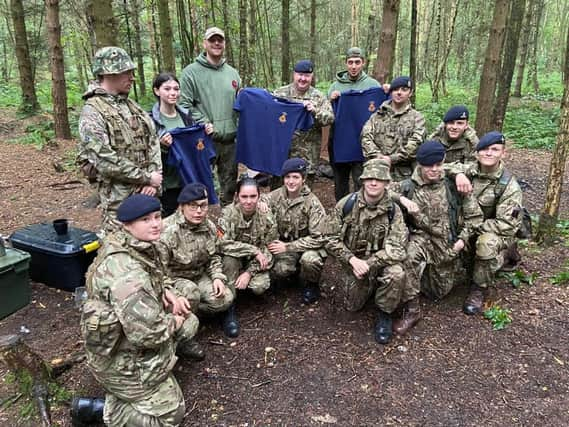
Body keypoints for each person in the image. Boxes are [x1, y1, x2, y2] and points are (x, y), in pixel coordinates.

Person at [76, 194, 200, 426]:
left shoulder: (134, 244)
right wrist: (175, 320)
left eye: (157, 216)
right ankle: (103, 411)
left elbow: (155, 276)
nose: (155, 224)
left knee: (190, 320)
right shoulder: (127, 273)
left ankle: (134, 391)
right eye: (145, 220)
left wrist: (166, 292)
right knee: (171, 416)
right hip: (119, 357)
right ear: (127, 224)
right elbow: (149, 335)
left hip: (126, 336)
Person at [390, 141, 483, 335]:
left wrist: (462, 240)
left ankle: (448, 272)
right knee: (408, 257)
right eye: (429, 165)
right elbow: (380, 189)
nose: (434, 169)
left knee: (438, 292)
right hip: (422, 238)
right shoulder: (408, 186)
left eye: (438, 165)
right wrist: (402, 199)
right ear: (419, 165)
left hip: (449, 242)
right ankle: (412, 310)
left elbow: (475, 218)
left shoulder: (454, 185)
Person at [78, 46, 162, 234]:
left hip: (148, 195)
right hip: (119, 202)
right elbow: (103, 159)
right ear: (109, 73)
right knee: (122, 251)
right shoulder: (92, 112)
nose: (132, 77)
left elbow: (152, 141)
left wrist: (153, 180)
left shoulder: (131, 106)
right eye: (127, 72)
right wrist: (146, 178)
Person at [325, 159, 408, 345]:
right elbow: (329, 239)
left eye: (379, 179)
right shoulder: (346, 204)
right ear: (362, 180)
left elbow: (398, 249)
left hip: (380, 265)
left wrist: (369, 264)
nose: (373, 182)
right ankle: (371, 289)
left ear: (386, 183)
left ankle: (384, 314)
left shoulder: (394, 211)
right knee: (351, 306)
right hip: (353, 265)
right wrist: (352, 260)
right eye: (369, 178)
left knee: (396, 274)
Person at [448, 131, 523, 314]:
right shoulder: (470, 170)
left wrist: (472, 228)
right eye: (484, 149)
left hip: (492, 232)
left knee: (486, 244)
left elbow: (508, 224)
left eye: (494, 150)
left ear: (503, 154)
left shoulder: (508, 185)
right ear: (477, 153)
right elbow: (440, 167)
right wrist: (458, 174)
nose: (488, 154)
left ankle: (479, 288)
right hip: (467, 227)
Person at [180, 27, 241, 205]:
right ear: (204, 43)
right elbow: (183, 105)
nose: (216, 43)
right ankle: (203, 224)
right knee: (203, 187)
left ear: (224, 44)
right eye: (212, 40)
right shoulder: (190, 72)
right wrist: (203, 122)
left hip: (230, 140)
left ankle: (226, 224)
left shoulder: (232, 73)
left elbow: (239, 103)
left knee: (229, 187)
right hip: (204, 139)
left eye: (220, 40)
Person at [160, 182, 234, 324]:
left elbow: (214, 256)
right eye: (193, 206)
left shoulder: (209, 226)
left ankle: (193, 315)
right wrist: (173, 293)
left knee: (225, 299)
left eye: (203, 205)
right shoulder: (167, 231)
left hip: (199, 275)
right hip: (174, 280)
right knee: (191, 292)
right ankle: (180, 322)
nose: (199, 211)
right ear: (182, 207)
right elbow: (158, 271)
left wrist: (217, 277)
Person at [218, 178, 278, 337]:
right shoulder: (227, 214)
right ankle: (228, 308)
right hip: (233, 261)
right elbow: (222, 245)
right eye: (244, 197)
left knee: (259, 287)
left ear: (259, 197)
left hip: (253, 263)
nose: (249, 201)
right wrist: (252, 250)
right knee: (229, 259)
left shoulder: (266, 216)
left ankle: (245, 288)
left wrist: (249, 272)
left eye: (253, 196)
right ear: (237, 196)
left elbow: (269, 249)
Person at [264, 158, 327, 304]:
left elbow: (318, 238)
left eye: (295, 177)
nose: (291, 182)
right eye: (287, 177)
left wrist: (287, 247)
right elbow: (260, 200)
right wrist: (261, 205)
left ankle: (312, 285)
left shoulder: (313, 203)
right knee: (280, 270)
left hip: (308, 248)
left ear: (303, 179)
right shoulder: (276, 195)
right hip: (286, 248)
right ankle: (293, 274)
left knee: (310, 260)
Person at [150, 72, 214, 216]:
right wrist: (163, 147)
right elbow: (147, 156)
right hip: (168, 185)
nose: (173, 93)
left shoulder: (188, 118)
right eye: (167, 89)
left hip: (190, 180)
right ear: (156, 90)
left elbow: (197, 149)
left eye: (176, 89)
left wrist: (207, 133)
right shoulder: (150, 121)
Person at [327, 47, 382, 201]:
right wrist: (330, 99)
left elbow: (382, 112)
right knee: (340, 183)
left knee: (361, 181)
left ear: (363, 63)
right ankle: (342, 214)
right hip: (339, 141)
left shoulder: (373, 85)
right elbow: (325, 112)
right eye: (350, 62)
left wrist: (386, 92)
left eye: (357, 62)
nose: (353, 66)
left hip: (363, 143)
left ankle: (360, 213)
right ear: (346, 64)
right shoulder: (335, 86)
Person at [273, 60, 334, 186]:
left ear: (312, 77)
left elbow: (330, 118)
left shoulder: (318, 97)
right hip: (282, 155)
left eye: (307, 76)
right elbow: (267, 116)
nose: (303, 79)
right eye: (300, 75)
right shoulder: (280, 94)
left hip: (307, 157)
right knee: (277, 194)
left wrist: (314, 111)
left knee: (304, 196)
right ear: (294, 75)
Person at [360, 76, 426, 181]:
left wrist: (392, 158)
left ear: (411, 93)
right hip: (376, 172)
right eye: (395, 89)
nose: (399, 93)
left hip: (404, 175)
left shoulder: (417, 118)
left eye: (404, 90)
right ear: (391, 92)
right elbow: (365, 137)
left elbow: (416, 143)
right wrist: (377, 156)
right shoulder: (377, 116)